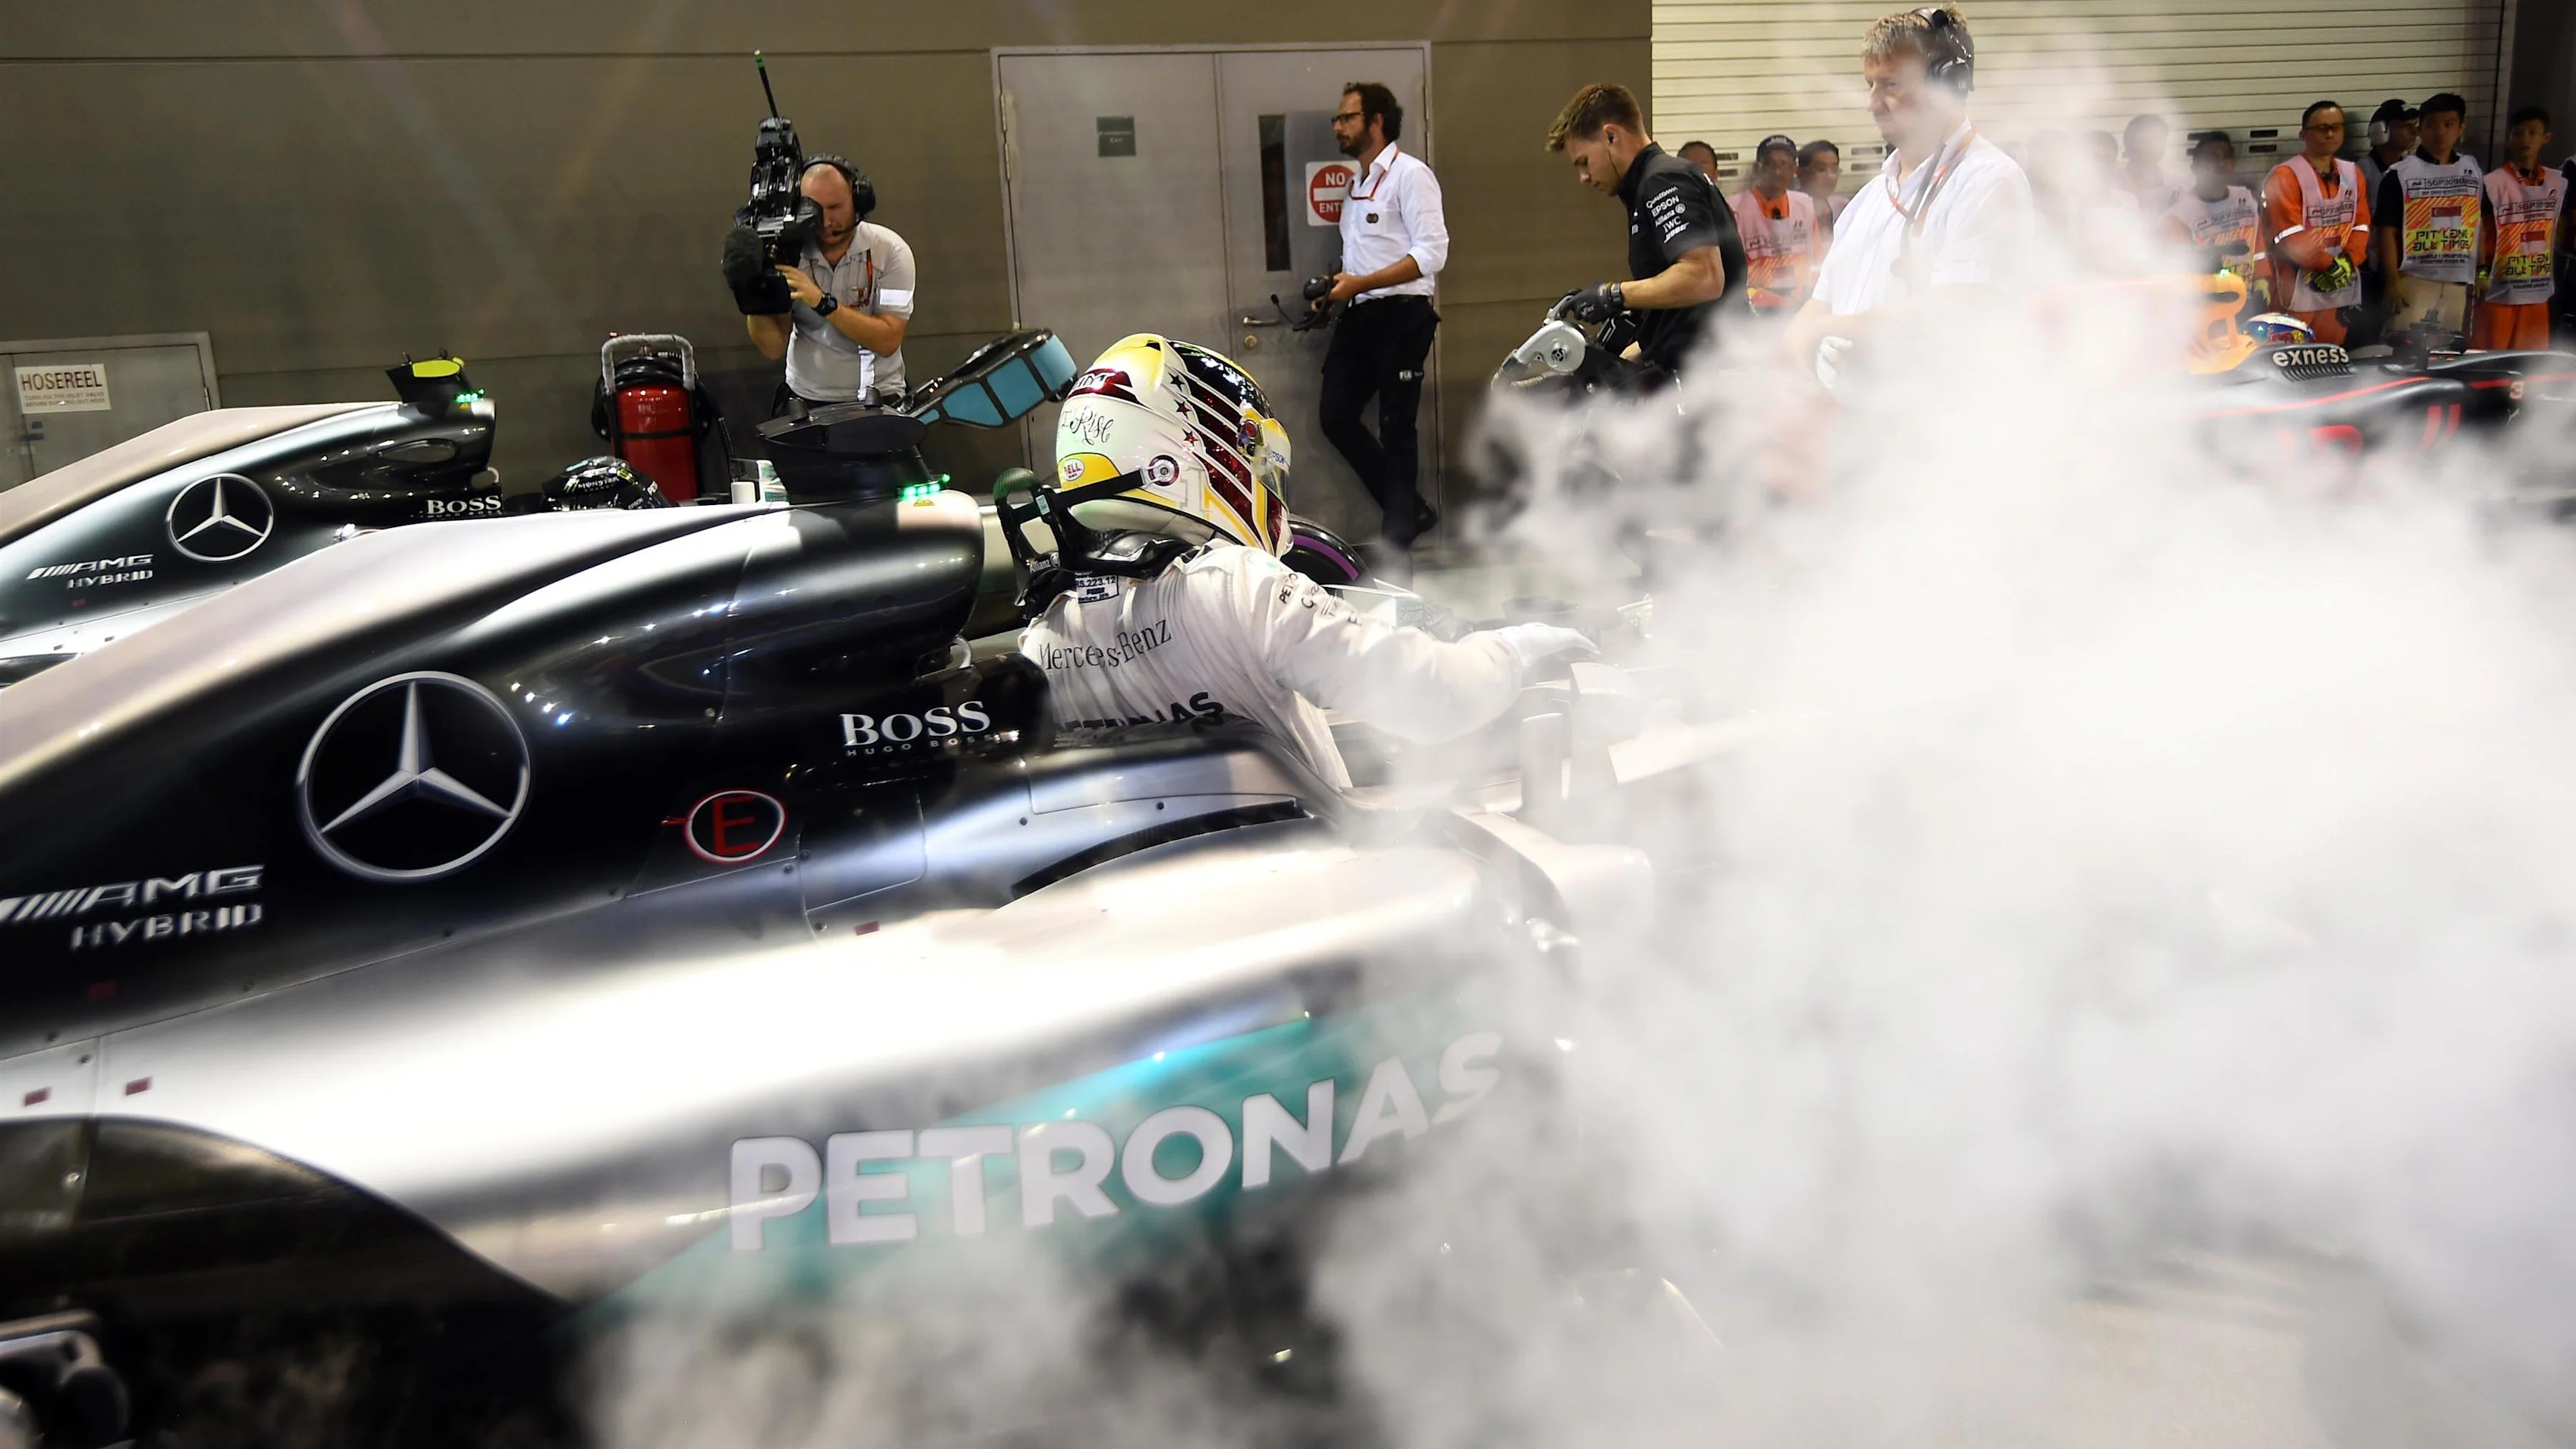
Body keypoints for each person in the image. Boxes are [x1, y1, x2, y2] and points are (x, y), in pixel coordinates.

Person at [1023, 333, 1596, 791]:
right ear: (1190, 455)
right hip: (1297, 878)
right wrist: (1516, 648)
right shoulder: (1233, 587)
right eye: (1258, 469)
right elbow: (1434, 695)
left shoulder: (1045, 629)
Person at [1782, 5, 2036, 384]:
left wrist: (1834, 329)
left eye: (1891, 85)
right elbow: (1816, 308)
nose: (1872, 102)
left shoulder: (1989, 182)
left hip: (1943, 431)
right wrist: (1806, 347)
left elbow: (1959, 307)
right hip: (1861, 430)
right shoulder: (1869, 199)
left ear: (1948, 85)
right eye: (1870, 85)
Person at [1318, 81, 1450, 553]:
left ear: (1376, 121)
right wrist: (1337, 289)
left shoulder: (1410, 176)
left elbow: (1432, 254)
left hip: (1401, 316)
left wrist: (1361, 284)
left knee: (1397, 425)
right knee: (1334, 415)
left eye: (1347, 117)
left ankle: (1398, 535)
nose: (1338, 126)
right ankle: (1409, 509)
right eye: (1338, 118)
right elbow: (1363, 259)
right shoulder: (1355, 185)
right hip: (1359, 314)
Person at [1547, 83, 1750, 379]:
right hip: (1699, 372)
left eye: (1584, 162)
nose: (1584, 177)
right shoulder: (1646, 186)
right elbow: (1680, 315)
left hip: (1713, 379)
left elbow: (1704, 277)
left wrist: (1612, 295)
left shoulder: (1664, 180)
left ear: (1611, 136)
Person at [737, 156, 915, 412]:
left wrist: (822, 302)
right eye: (814, 209)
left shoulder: (892, 253)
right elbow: (773, 347)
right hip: (805, 398)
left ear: (859, 202)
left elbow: (887, 340)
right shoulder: (788, 254)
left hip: (878, 396)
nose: (825, 221)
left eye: (835, 208)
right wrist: (751, 296)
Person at [2373, 92, 2483, 345]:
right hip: (2414, 280)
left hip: (2458, 280)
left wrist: (2483, 271)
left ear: (2461, 128)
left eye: (2449, 125)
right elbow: (2386, 230)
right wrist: (2392, 283)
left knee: (2447, 353)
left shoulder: (2472, 170)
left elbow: (2479, 223)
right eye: (2431, 125)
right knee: (2401, 350)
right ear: (2420, 129)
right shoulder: (2400, 174)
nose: (2440, 132)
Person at [2262, 100, 2370, 345]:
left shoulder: (2353, 174)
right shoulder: (2285, 176)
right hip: (2296, 287)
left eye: (2336, 127)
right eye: (2322, 128)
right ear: (2304, 135)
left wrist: (2349, 261)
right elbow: (2287, 234)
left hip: (2338, 287)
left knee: (2330, 358)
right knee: (2289, 357)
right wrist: (2329, 266)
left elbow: (2361, 225)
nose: (2330, 134)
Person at [2474, 106, 2566, 350]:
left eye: (2532, 132)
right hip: (2499, 291)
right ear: (2509, 138)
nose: (2525, 139)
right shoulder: (2492, 183)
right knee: (2490, 362)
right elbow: (2480, 233)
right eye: (2518, 133)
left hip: (2536, 289)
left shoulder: (2558, 182)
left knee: (2531, 365)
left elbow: (2561, 230)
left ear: (2546, 138)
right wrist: (2482, 274)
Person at [2164, 131, 2269, 308]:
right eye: (2213, 158)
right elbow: (2181, 271)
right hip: (2205, 308)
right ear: (2196, 166)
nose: (2221, 164)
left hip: (2248, 301)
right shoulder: (2178, 215)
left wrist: (2262, 281)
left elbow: (2258, 245)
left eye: (2227, 157)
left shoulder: (2246, 199)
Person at [1730, 134, 1829, 314]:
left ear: (1794, 169)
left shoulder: (1805, 205)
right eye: (1771, 164)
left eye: (1785, 165)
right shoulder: (1735, 209)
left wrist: (1812, 300)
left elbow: (1817, 260)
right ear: (1758, 168)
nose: (1778, 172)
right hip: (1754, 306)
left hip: (1798, 302)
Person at [2114, 113, 2181, 214]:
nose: (2154, 145)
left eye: (2159, 138)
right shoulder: (2114, 184)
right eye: (2146, 140)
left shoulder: (2176, 185)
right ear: (2130, 142)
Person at [2359, 99, 2420, 200]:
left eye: (2414, 126)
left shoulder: (2411, 167)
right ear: (2381, 131)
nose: (2415, 132)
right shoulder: (2362, 172)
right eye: (2406, 126)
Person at [1799, 138, 1850, 235]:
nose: (1830, 176)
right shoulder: (1790, 207)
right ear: (1800, 173)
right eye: (1821, 170)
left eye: (1834, 169)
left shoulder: (1844, 207)